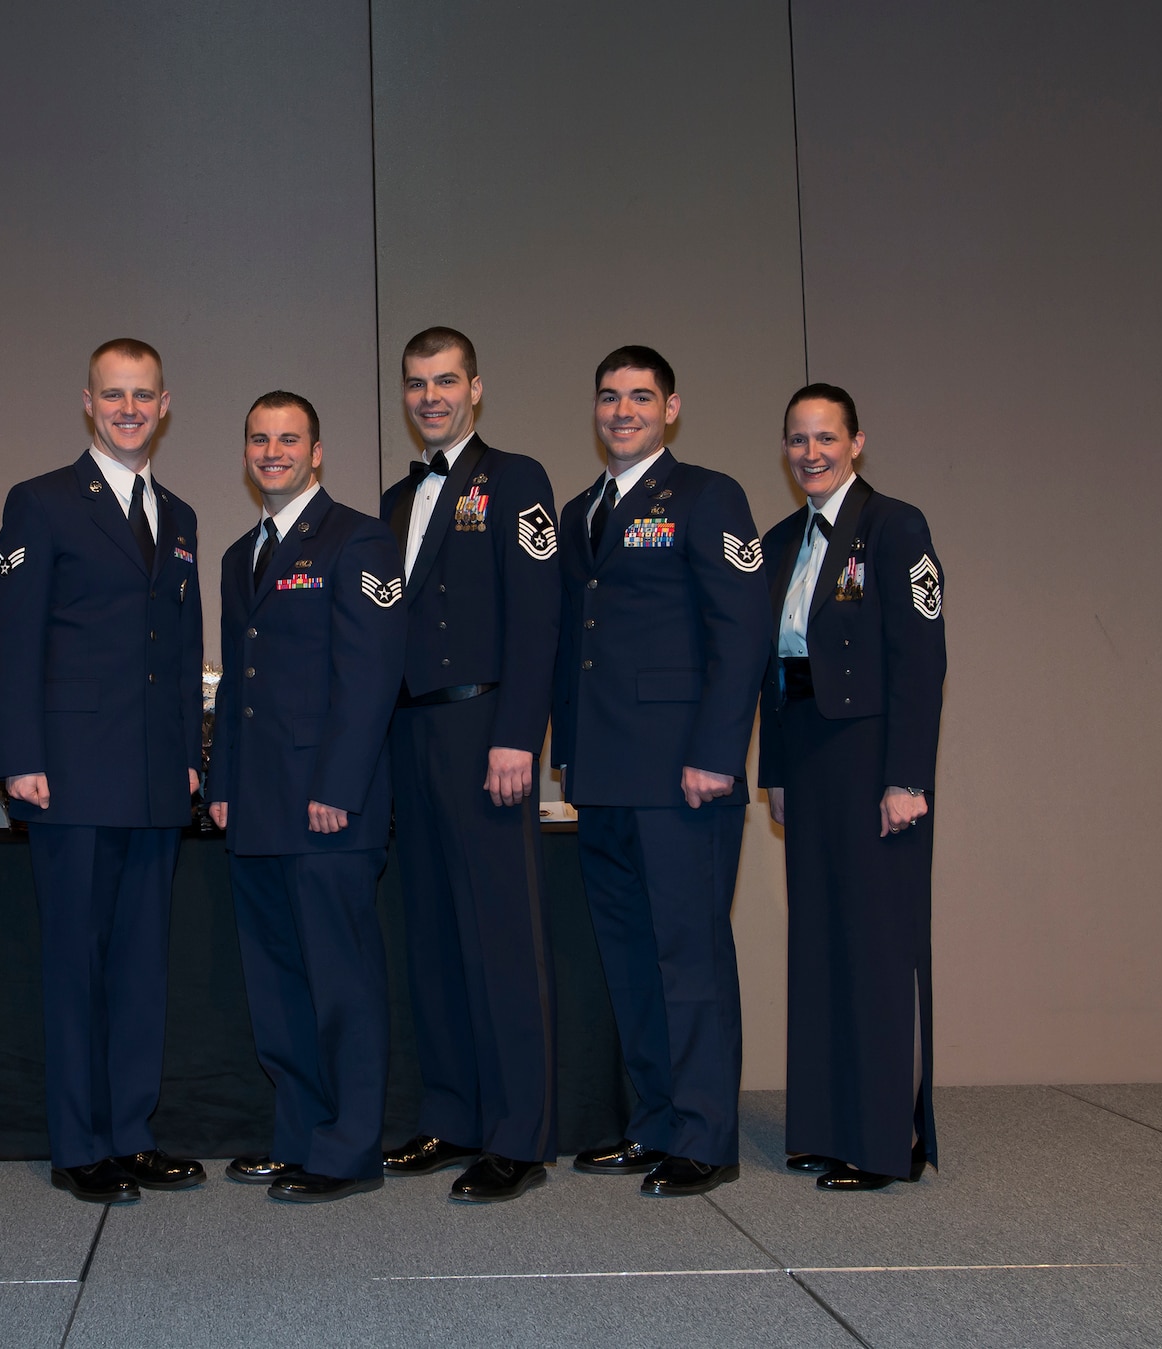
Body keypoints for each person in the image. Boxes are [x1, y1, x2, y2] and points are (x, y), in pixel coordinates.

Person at [0, 338, 206, 1204]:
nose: (127, 408)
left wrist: (191, 756)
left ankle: (131, 1132)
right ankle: (80, 1145)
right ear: (88, 401)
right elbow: (14, 639)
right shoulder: (39, 502)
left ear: (163, 404)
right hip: (71, 777)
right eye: (113, 394)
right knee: (76, 965)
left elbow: (183, 651)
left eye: (142, 394)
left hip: (156, 780)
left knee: (141, 965)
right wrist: (22, 759)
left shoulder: (180, 515)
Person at [553, 345, 771, 1198]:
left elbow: (742, 628)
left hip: (684, 774)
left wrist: (717, 755)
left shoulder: (709, 495)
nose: (622, 411)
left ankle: (707, 1135)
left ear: (671, 408)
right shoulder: (582, 510)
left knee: (690, 955)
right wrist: (566, 755)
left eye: (640, 397)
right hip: (604, 775)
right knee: (632, 956)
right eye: (609, 397)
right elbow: (580, 644)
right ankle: (653, 1122)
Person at [205, 392, 406, 1202]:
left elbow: (371, 673)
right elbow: (236, 686)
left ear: (317, 452)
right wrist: (221, 785)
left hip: (328, 805)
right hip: (256, 803)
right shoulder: (236, 554)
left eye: (290, 438)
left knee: (341, 984)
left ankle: (349, 1147)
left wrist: (339, 786)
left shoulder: (359, 539)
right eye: (260, 438)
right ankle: (298, 1134)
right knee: (280, 983)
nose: (274, 450)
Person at [377, 327, 562, 1203]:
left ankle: (518, 1134)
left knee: (501, 937)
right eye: (416, 383)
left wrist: (518, 732)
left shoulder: (517, 479)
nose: (430, 397)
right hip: (411, 738)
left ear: (476, 388)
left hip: (486, 728)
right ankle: (451, 1114)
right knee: (435, 936)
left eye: (445, 381)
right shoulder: (391, 497)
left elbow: (538, 616)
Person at [758, 384, 945, 1191]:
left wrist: (907, 776)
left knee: (874, 946)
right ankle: (824, 1127)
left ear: (857, 441)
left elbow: (922, 659)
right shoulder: (777, 540)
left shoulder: (896, 526)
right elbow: (769, 671)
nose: (811, 452)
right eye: (797, 439)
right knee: (820, 943)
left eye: (826, 437)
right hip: (807, 755)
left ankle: (879, 1141)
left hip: (873, 759)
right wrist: (774, 773)